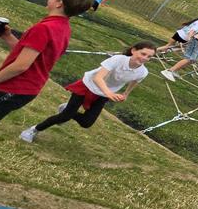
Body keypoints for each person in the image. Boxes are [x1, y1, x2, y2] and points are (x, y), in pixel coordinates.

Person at [0, 0, 95, 209]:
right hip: (15, 86)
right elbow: (31, 56)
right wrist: (8, 37)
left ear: (59, 3)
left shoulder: (45, 28)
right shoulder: (61, 27)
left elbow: (21, 66)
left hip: (11, 89)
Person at [19, 41, 155, 143]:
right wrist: (109, 93)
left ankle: (67, 109)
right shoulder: (117, 60)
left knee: (86, 123)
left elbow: (135, 82)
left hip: (103, 94)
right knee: (65, 117)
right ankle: (33, 130)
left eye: (149, 57)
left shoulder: (143, 72)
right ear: (133, 51)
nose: (144, 58)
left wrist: (126, 94)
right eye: (143, 54)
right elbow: (98, 77)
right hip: (88, 85)